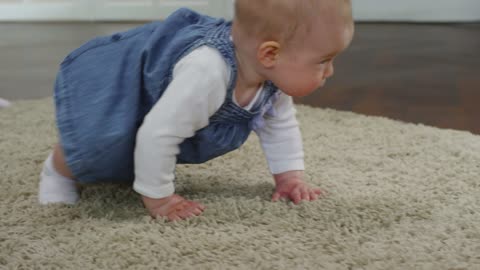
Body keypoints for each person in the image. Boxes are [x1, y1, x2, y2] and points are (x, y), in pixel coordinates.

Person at [39, 0, 355, 221]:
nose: (330, 72)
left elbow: (280, 127)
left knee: (139, 150)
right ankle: (57, 170)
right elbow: (158, 133)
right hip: (128, 79)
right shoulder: (208, 71)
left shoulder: (270, 78)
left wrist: (289, 178)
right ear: (270, 53)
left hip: (173, 101)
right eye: (323, 61)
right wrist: (160, 199)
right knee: (99, 139)